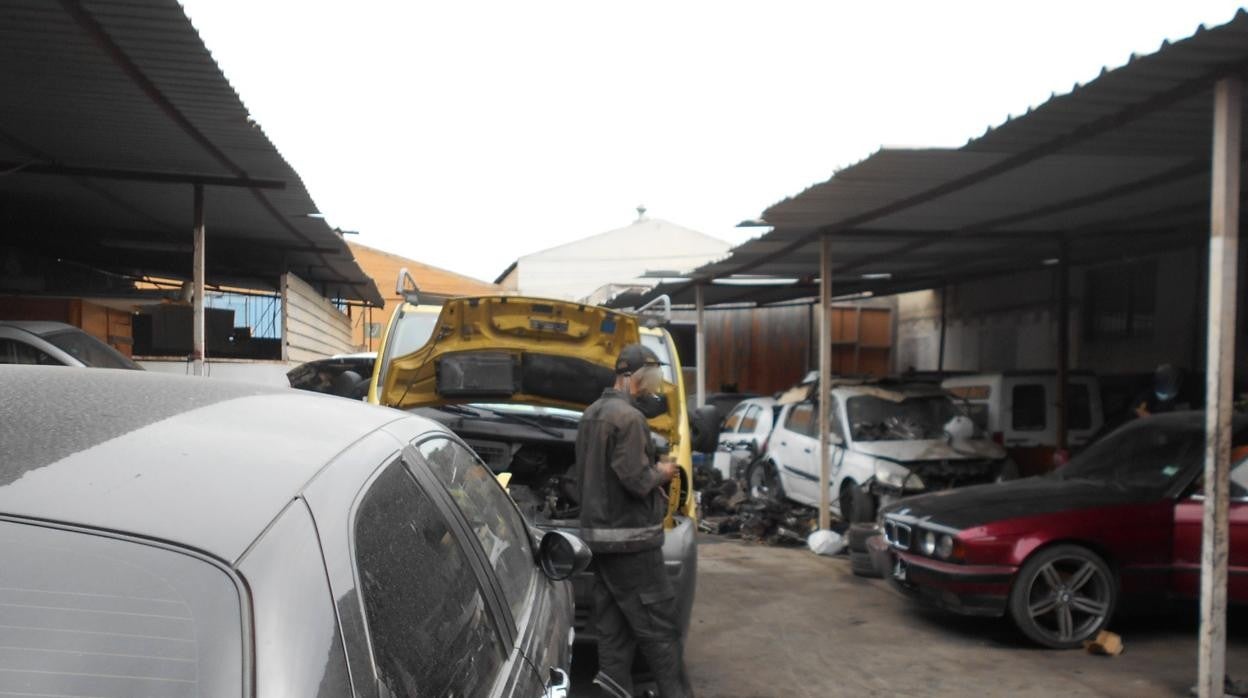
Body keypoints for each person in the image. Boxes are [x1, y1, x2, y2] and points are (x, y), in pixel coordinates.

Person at [574, 343, 692, 698]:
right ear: (634, 379)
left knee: (614, 633)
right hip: (632, 545)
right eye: (651, 380)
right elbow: (636, 479)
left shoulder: (591, 414)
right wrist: (663, 471)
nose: (653, 387)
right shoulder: (630, 419)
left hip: (599, 542)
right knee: (660, 632)